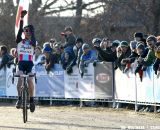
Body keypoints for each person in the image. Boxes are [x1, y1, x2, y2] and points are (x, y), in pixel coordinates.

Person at [15, 10, 36, 113]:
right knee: (19, 79)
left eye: (29, 31)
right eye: (25, 31)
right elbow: (19, 30)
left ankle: (31, 100)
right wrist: (22, 18)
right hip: (21, 64)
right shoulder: (20, 41)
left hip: (30, 65)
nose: (27, 33)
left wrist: (32, 30)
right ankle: (19, 99)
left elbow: (34, 37)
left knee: (30, 81)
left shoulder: (33, 42)